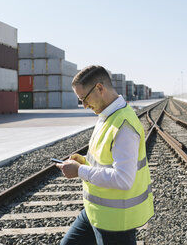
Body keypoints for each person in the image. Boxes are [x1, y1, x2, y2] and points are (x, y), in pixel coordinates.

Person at [57, 65, 154, 245]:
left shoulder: (123, 125)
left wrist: (80, 171)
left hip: (115, 221)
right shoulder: (107, 116)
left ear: (100, 88)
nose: (84, 105)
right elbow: (105, 161)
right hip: (94, 212)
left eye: (84, 99)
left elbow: (123, 179)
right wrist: (83, 162)